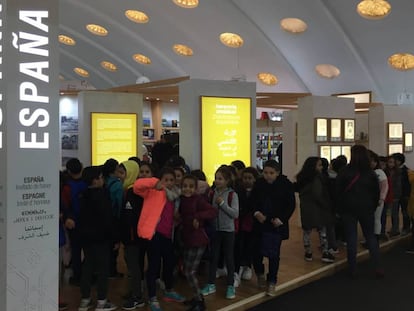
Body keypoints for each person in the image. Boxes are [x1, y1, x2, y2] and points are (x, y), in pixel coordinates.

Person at [133, 167, 184, 311]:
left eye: (171, 180)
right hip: (154, 234)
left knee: (169, 263)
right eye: (165, 180)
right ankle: (152, 297)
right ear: (160, 179)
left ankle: (169, 290)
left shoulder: (176, 195)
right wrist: (155, 182)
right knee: (154, 266)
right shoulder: (153, 190)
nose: (168, 183)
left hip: (168, 235)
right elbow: (137, 186)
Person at [336, 145, 383, 278]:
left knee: (351, 238)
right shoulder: (370, 173)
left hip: (348, 209)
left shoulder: (345, 171)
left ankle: (353, 268)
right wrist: (372, 207)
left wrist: (339, 208)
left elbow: (338, 191)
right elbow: (376, 193)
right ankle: (378, 266)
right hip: (366, 208)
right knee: (370, 236)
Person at [250, 160, 295, 296]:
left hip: (276, 225)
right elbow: (253, 201)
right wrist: (256, 213)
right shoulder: (259, 184)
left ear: (277, 173)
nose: (268, 176)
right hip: (260, 223)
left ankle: (272, 281)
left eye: (271, 173)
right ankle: (260, 274)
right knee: (256, 252)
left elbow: (290, 204)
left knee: (274, 254)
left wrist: (281, 219)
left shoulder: (285, 185)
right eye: (265, 173)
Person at [78, 166, 118, 311]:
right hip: (101, 238)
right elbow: (108, 219)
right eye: (101, 177)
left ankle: (85, 299)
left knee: (87, 267)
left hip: (86, 238)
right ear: (95, 180)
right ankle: (101, 301)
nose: (103, 179)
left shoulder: (83, 195)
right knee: (102, 269)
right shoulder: (102, 195)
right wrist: (114, 238)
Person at [178, 174, 218, 311]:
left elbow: (212, 211)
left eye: (190, 187)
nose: (187, 189)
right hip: (188, 238)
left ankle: (200, 300)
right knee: (188, 270)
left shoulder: (198, 200)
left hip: (198, 239)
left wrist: (197, 217)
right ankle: (196, 298)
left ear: (195, 188)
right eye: (184, 186)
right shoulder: (181, 199)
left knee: (190, 271)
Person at [201, 166, 239, 300]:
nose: (217, 181)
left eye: (220, 179)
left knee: (229, 258)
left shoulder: (232, 195)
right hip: (215, 230)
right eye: (216, 178)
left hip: (228, 231)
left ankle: (230, 286)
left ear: (227, 180)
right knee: (214, 257)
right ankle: (211, 283)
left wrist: (222, 204)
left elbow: (235, 214)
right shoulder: (213, 192)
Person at [295, 157, 335, 263]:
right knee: (322, 231)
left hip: (305, 208)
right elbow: (317, 194)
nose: (321, 167)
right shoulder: (317, 178)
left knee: (306, 231)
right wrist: (326, 204)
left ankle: (308, 252)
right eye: (319, 165)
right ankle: (325, 252)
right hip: (317, 208)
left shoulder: (301, 178)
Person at [119, 160, 146, 310]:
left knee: (134, 266)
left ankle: (137, 296)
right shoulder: (129, 190)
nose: (119, 176)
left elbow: (131, 217)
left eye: (123, 173)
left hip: (133, 237)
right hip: (131, 236)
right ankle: (135, 292)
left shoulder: (133, 192)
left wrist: (128, 236)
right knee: (132, 265)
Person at [61, 158, 87, 285]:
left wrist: (67, 218)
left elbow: (65, 205)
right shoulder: (87, 183)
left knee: (76, 250)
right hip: (87, 222)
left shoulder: (67, 187)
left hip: (73, 222)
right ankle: (88, 275)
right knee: (88, 250)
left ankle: (77, 276)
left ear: (69, 170)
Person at [234, 167, 259, 284]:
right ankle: (237, 269)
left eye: (250, 178)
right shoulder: (238, 191)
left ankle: (248, 266)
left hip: (253, 224)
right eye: (245, 178)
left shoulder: (258, 192)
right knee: (239, 246)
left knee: (251, 245)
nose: (247, 180)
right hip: (241, 223)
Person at [368, 151, 389, 241]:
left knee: (376, 218)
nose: (372, 163)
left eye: (374, 161)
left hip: (378, 200)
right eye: (370, 161)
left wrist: (381, 198)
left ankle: (376, 237)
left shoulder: (379, 172)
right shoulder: (369, 172)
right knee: (371, 219)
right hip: (369, 200)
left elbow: (384, 187)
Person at [392, 153, 411, 235]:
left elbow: (408, 184)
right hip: (395, 195)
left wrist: (407, 195)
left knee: (405, 212)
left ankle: (406, 228)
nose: (393, 162)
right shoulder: (392, 170)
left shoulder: (406, 171)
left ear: (399, 161)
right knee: (394, 213)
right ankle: (395, 229)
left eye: (395, 160)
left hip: (404, 195)